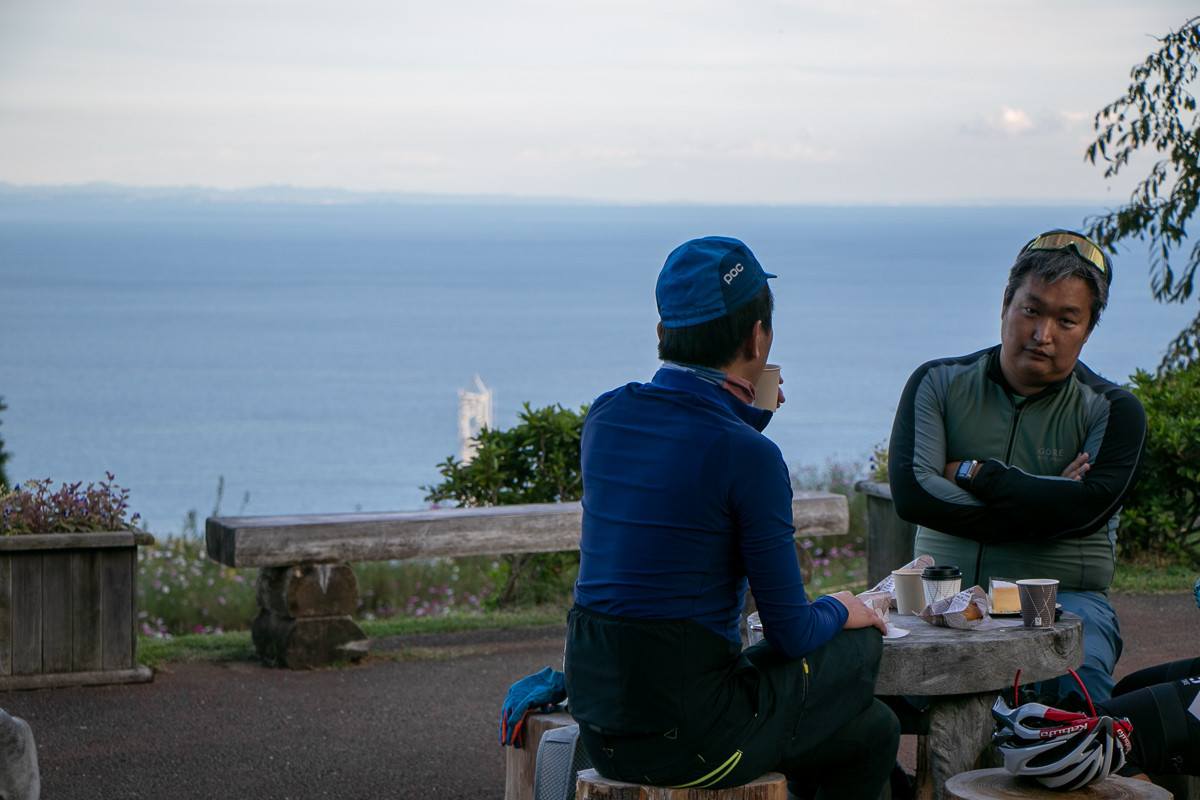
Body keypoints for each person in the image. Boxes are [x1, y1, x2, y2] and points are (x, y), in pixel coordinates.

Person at [563, 236, 900, 799]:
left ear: (661, 334)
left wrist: (747, 422)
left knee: (873, 731)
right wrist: (845, 609)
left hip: (601, 727)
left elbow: (689, 474)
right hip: (694, 738)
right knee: (855, 648)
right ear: (758, 337)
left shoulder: (607, 416)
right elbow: (791, 633)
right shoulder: (748, 455)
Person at [888, 229, 1147, 707]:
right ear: (1006, 304)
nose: (1042, 334)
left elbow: (1087, 508)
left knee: (1077, 687)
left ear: (1088, 330)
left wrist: (972, 473)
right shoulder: (938, 384)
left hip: (1066, 600)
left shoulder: (1112, 410)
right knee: (839, 682)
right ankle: (893, 785)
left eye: (1067, 320)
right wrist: (1047, 504)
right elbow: (912, 494)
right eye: (1031, 310)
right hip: (936, 594)